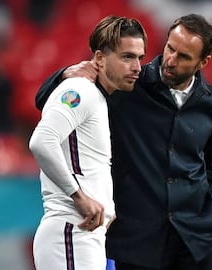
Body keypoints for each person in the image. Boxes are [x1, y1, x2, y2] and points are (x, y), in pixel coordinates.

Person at [36, 13, 212, 270]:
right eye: (170, 48)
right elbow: (46, 106)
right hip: (139, 242)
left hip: (197, 238)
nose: (171, 60)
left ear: (203, 62)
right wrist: (64, 75)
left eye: (183, 56)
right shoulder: (128, 86)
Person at [29, 15, 147, 270]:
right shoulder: (80, 91)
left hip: (82, 234)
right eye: (127, 57)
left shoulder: (98, 97)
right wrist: (79, 196)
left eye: (140, 57)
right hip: (71, 230)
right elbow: (41, 141)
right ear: (100, 58)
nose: (137, 66)